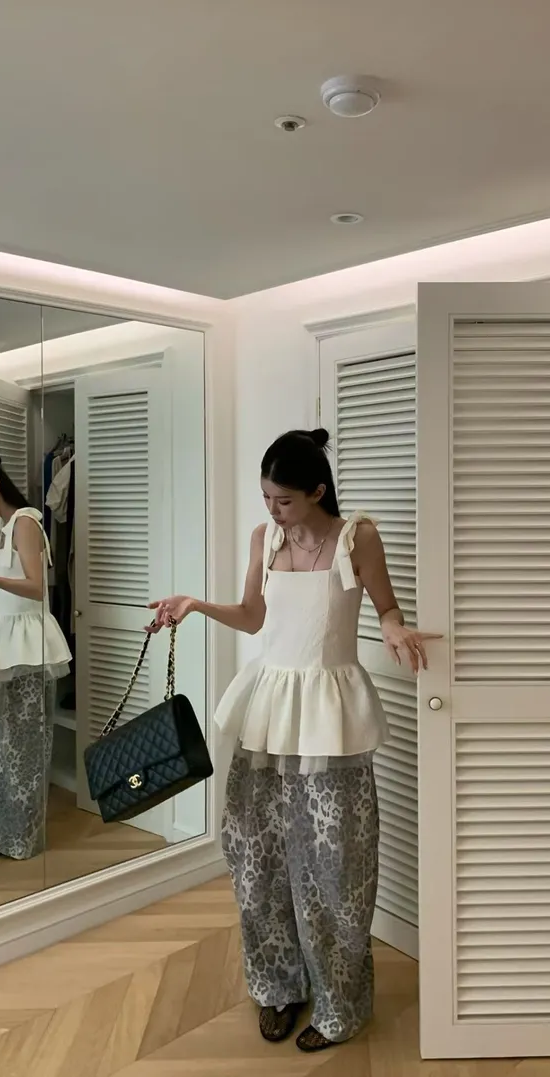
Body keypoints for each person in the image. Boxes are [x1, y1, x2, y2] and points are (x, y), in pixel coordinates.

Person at [149, 428, 436, 1053]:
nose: (272, 510)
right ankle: (278, 985)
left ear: (317, 492)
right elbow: (254, 616)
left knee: (336, 867)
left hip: (331, 715)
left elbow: (386, 607)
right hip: (267, 712)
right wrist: (195, 604)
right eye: (265, 498)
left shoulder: (358, 536)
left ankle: (340, 1005)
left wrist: (393, 628)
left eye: (283, 500)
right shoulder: (266, 538)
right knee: (256, 857)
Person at [0, 454, 72, 860]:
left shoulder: (26, 522)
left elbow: (36, 587)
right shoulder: (1, 527)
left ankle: (18, 837)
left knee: (23, 746)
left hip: (26, 649)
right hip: (3, 647)